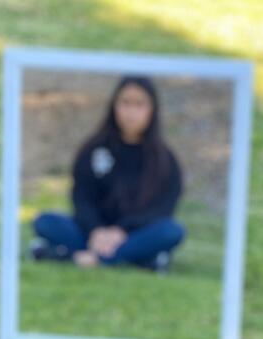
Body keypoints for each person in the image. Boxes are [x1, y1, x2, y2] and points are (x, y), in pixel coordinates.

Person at [30, 75, 184, 272]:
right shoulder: (93, 149)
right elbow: (81, 198)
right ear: (114, 105)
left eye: (139, 104)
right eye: (125, 103)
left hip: (134, 234)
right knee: (45, 221)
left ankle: (76, 257)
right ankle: (140, 260)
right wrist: (96, 230)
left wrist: (121, 231)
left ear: (152, 109)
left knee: (171, 231)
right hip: (91, 233)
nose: (131, 112)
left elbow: (162, 209)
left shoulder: (165, 160)